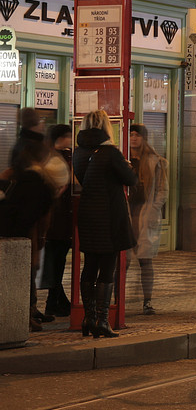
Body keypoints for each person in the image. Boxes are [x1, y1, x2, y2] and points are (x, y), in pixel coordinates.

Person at [72, 110, 136, 338]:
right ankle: (102, 320)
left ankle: (88, 319)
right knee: (108, 267)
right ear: (105, 127)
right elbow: (131, 180)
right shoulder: (110, 152)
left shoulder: (78, 152)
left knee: (89, 265)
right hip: (109, 215)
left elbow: (86, 178)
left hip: (89, 214)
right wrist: (128, 166)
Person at [0, 135, 66, 332]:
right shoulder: (38, 181)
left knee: (16, 277)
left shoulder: (13, 175)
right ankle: (22, 317)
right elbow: (40, 216)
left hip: (10, 233)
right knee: (23, 275)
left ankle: (23, 315)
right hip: (22, 235)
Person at [129, 125, 168, 315]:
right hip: (127, 214)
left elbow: (163, 189)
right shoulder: (123, 159)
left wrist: (154, 208)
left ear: (144, 138)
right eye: (131, 134)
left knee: (145, 260)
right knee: (123, 260)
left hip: (145, 213)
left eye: (137, 135)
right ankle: (116, 301)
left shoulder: (154, 161)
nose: (134, 138)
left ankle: (147, 301)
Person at [40, 124, 76, 318]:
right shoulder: (53, 159)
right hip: (56, 220)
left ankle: (57, 301)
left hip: (63, 219)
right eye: (68, 136)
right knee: (56, 262)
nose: (70, 139)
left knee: (58, 262)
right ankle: (53, 302)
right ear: (59, 138)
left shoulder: (66, 156)